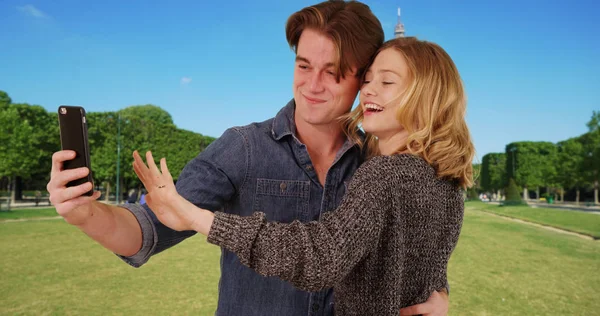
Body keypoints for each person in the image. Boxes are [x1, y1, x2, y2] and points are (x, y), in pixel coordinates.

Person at [46, 1, 448, 315]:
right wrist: (84, 213)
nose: (312, 85)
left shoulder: (380, 165)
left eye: (333, 72)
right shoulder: (243, 149)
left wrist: (438, 292)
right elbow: (148, 229)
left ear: (362, 79)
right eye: (304, 65)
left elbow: (417, 246)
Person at [132, 36, 473, 315]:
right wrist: (441, 296)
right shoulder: (447, 183)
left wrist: (197, 217)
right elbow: (429, 274)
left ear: (427, 96)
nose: (368, 90)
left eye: (387, 82)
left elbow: (320, 257)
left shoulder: (382, 175)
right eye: (367, 80)